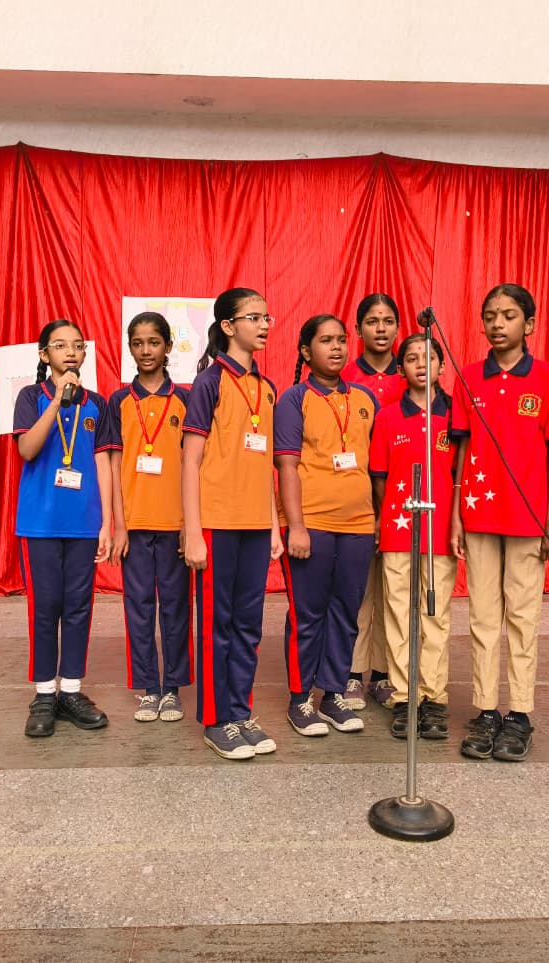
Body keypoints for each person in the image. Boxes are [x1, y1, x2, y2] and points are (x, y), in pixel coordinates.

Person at [449, 284, 549, 763]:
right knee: (482, 617)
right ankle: (486, 710)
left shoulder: (546, 378)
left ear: (529, 324)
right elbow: (460, 450)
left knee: (522, 617)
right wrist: (457, 514)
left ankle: (519, 713)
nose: (498, 324)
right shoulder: (468, 378)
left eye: (509, 315)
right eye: (490, 315)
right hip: (479, 515)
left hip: (528, 519)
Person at [183, 288, 284, 760]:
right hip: (216, 524)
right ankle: (215, 719)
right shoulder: (209, 382)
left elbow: (265, 463)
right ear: (228, 326)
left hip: (255, 525)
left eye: (267, 318)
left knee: (248, 625)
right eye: (253, 317)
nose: (264, 325)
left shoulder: (267, 388)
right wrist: (192, 531)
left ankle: (240, 712)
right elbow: (190, 461)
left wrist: (274, 526)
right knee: (215, 626)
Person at [275, 315, 379, 736]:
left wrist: (375, 521)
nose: (336, 348)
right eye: (325, 341)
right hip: (312, 522)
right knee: (308, 613)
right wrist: (296, 526)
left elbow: (375, 467)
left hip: (358, 525)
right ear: (306, 351)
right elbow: (286, 466)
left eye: (341, 340)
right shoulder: (293, 399)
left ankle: (333, 693)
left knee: (346, 612)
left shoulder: (365, 399)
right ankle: (300, 698)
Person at [13, 319, 113, 738]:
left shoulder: (97, 404)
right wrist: (57, 401)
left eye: (77, 345)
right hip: (40, 523)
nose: (70, 352)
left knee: (78, 607)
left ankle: (70, 691)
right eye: (60, 345)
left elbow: (104, 464)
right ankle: (43, 694)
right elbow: (27, 448)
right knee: (45, 607)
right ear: (44, 355)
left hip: (84, 524)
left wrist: (108, 522)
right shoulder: (30, 396)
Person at [101, 312, 193, 721]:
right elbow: (114, 463)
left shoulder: (185, 399)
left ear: (168, 346)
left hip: (175, 524)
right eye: (137, 343)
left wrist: (190, 525)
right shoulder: (118, 401)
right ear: (129, 348)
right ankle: (149, 689)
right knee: (138, 607)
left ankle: (172, 688)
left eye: (153, 342)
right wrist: (119, 526)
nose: (146, 350)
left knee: (175, 607)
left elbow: (194, 464)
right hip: (135, 524)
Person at [369, 333, 458, 739]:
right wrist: (384, 518)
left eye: (429, 357)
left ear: (442, 365)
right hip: (398, 529)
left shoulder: (456, 415)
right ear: (400, 368)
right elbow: (380, 477)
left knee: (435, 615)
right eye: (411, 358)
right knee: (399, 613)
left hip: (440, 532)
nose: (421, 364)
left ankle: (434, 697)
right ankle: (405, 697)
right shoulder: (388, 417)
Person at [341, 293, 405, 711]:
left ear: (398, 327)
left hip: (400, 499)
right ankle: (350, 672)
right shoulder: (345, 375)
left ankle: (383, 674)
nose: (380, 329)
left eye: (387, 321)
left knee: (391, 590)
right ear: (358, 329)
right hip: (354, 497)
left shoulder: (411, 374)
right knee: (356, 589)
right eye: (372, 321)